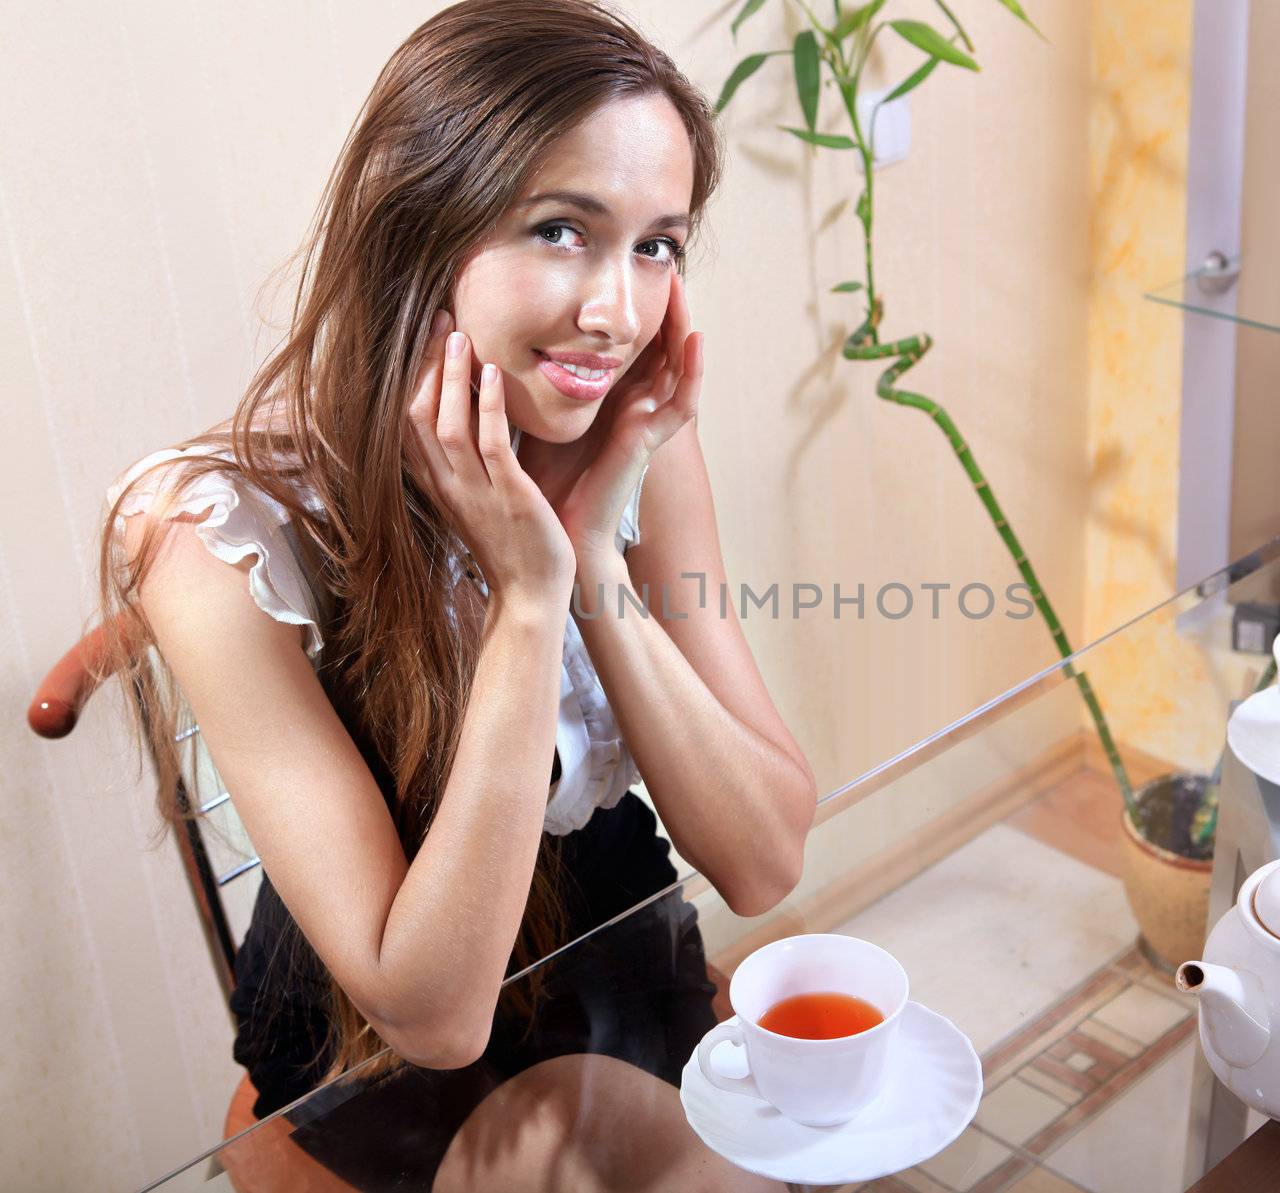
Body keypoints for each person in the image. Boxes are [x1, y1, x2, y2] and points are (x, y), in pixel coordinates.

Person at [95, 2, 815, 1188]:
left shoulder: (632, 429)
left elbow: (763, 857)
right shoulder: (206, 531)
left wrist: (587, 567)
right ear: (415, 233)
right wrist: (527, 601)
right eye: (559, 229)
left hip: (615, 936)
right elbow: (430, 1014)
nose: (617, 312)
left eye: (657, 245)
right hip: (378, 1024)